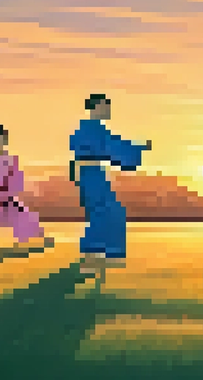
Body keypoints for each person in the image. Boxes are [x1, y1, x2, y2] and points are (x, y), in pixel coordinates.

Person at [69, 94, 150, 278]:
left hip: (93, 172)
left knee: (112, 210)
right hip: (90, 174)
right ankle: (91, 257)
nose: (108, 110)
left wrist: (138, 148)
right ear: (96, 107)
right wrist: (137, 148)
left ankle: (105, 253)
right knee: (102, 211)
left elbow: (114, 146)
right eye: (106, 106)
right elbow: (112, 147)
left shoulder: (95, 129)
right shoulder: (90, 130)